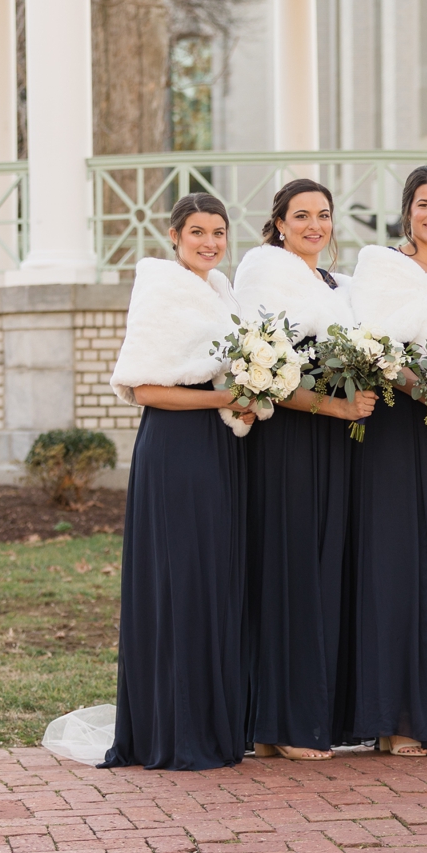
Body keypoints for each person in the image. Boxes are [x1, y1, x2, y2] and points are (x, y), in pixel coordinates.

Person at [100, 193, 252, 770]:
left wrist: (244, 402)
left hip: (219, 446)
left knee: (212, 579)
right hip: (175, 449)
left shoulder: (222, 292)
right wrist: (225, 397)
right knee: (180, 581)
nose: (209, 242)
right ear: (173, 235)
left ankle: (212, 724)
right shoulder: (161, 290)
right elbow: (144, 389)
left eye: (218, 231)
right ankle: (175, 729)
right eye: (197, 232)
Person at [234, 178, 377, 761]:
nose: (314, 226)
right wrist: (337, 406)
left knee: (321, 572)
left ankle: (285, 720)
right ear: (280, 223)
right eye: (301, 216)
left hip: (335, 447)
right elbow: (262, 373)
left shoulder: (336, 285)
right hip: (287, 441)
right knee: (289, 571)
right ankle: (283, 723)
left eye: (323, 215)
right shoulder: (265, 273)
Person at [345, 165, 427, 757]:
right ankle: (387, 714)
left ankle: (423, 709)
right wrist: (425, 388)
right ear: (407, 210)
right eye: (424, 203)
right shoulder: (380, 264)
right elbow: (368, 340)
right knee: (392, 562)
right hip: (395, 424)